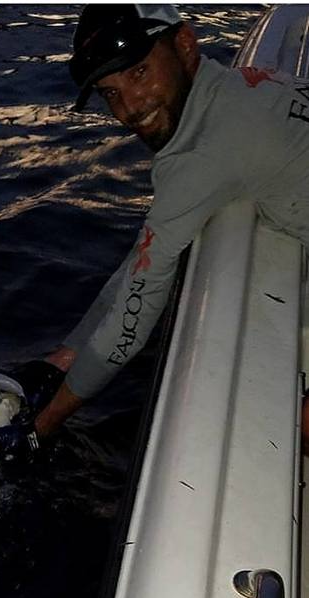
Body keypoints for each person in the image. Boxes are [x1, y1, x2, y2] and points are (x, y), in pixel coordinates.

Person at [26, 3, 309, 449]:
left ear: (184, 44)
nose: (130, 108)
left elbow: (132, 321)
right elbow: (145, 256)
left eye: (138, 72)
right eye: (110, 93)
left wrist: (40, 428)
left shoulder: (200, 158)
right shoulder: (241, 89)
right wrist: (66, 355)